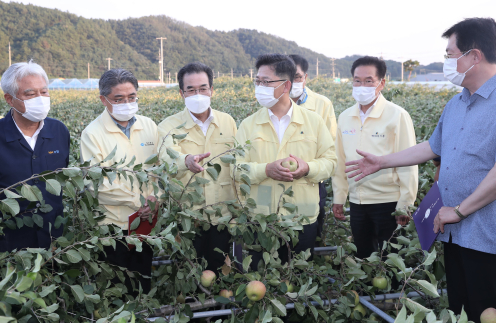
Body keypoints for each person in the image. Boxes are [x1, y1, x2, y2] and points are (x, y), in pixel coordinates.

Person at [344, 18, 496, 323]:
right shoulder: (456, 104)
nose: (447, 61)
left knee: (488, 312)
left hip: (486, 233)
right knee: (460, 311)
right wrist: (382, 161)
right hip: (453, 232)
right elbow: (433, 147)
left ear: (474, 56)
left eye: (450, 53)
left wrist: (460, 210)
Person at [233, 54, 336, 269]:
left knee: (297, 278)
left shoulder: (313, 122)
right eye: (258, 81)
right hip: (260, 219)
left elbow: (330, 162)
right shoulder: (248, 125)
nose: (260, 87)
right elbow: (236, 169)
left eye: (266, 82)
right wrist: (266, 170)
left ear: (286, 85)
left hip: (301, 218)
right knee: (258, 277)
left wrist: (308, 168)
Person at [332, 56, 418, 260]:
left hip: (388, 201)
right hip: (357, 202)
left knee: (391, 261)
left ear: (381, 83)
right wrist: (339, 197)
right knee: (362, 257)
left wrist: (405, 203)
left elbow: (409, 161)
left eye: (369, 80)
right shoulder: (345, 116)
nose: (362, 86)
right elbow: (340, 160)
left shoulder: (396, 115)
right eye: (357, 80)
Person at [80, 68, 158, 294]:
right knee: (117, 290)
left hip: (145, 226)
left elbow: (160, 170)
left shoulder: (149, 126)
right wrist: (139, 202)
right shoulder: (93, 133)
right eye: (119, 99)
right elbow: (97, 183)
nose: (127, 102)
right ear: (104, 100)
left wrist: (155, 199)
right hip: (113, 227)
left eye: (132, 97)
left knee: (143, 284)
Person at [158, 62, 237, 275]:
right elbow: (166, 157)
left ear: (212, 90)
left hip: (222, 215)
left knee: (220, 273)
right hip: (187, 218)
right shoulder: (168, 126)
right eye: (191, 90)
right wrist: (186, 161)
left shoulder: (227, 122)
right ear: (181, 93)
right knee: (188, 275)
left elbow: (237, 164)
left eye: (202, 88)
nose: (198, 94)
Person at [0, 60, 70, 252]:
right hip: (9, 247)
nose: (40, 98)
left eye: (44, 92)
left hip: (52, 242)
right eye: (30, 94)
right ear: (9, 99)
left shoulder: (59, 131)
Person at [289, 54, 337, 242]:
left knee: (311, 229)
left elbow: (330, 144)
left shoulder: (322, 104)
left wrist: (309, 166)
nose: (293, 82)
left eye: (297, 77)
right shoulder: (271, 104)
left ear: (305, 77)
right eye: (288, 76)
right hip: (279, 177)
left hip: (313, 178)